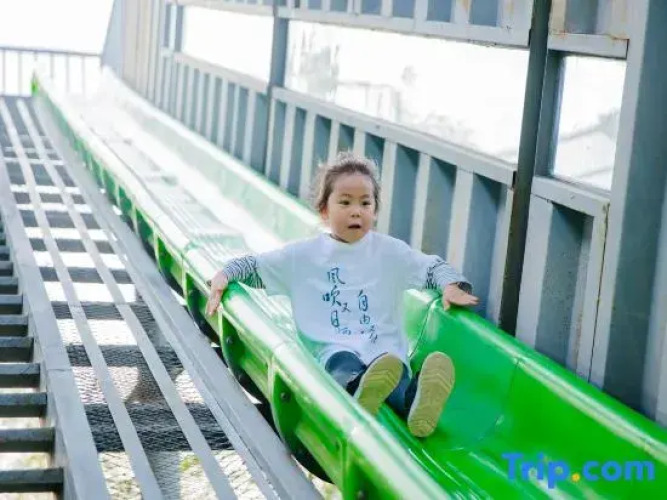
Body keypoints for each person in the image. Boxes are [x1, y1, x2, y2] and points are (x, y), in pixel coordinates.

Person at [205, 153, 479, 438]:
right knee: (343, 363)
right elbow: (255, 267)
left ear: (375, 210)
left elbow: (431, 267)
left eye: (365, 203)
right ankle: (359, 390)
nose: (356, 211)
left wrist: (450, 285)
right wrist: (225, 275)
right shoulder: (303, 256)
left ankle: (416, 403)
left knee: (393, 371)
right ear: (324, 210)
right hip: (334, 348)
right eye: (345, 203)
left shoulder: (390, 252)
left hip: (383, 350)